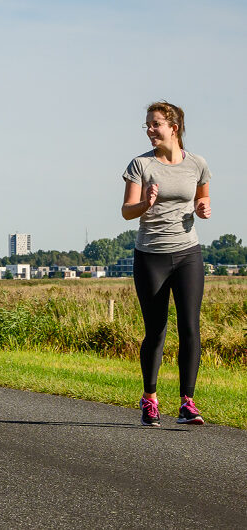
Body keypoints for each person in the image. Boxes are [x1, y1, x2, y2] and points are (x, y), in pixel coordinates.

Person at [120, 101, 211, 426]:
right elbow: (127, 211)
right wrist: (146, 202)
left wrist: (202, 208)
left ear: (174, 127)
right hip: (150, 256)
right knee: (156, 331)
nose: (149, 130)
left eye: (155, 124)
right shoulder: (140, 165)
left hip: (188, 253)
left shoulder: (197, 164)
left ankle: (188, 402)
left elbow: (203, 198)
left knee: (190, 329)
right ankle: (150, 399)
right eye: (147, 124)